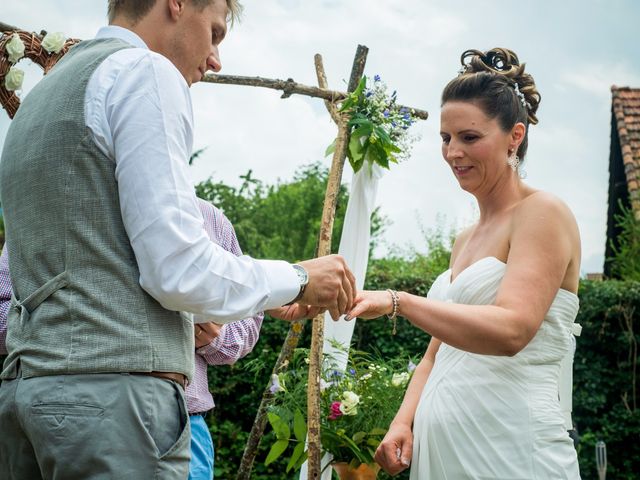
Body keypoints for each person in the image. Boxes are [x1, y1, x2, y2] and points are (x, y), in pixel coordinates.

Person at [0, 1, 356, 478]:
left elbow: (99, 257)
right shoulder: (145, 71)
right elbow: (178, 270)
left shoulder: (42, 99)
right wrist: (297, 277)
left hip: (28, 400)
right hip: (113, 408)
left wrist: (247, 307)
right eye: (214, 32)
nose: (214, 59)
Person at [347, 48, 582, 479]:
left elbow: (513, 329)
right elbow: (437, 356)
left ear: (515, 135)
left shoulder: (542, 213)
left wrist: (400, 301)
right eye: (445, 138)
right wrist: (403, 421)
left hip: (511, 448)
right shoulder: (464, 239)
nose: (453, 152)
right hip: (446, 454)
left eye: (469, 137)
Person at [0, 197, 311, 480]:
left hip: (183, 422)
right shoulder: (46, 213)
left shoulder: (211, 220)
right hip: (60, 409)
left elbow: (246, 327)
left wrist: (208, 337)